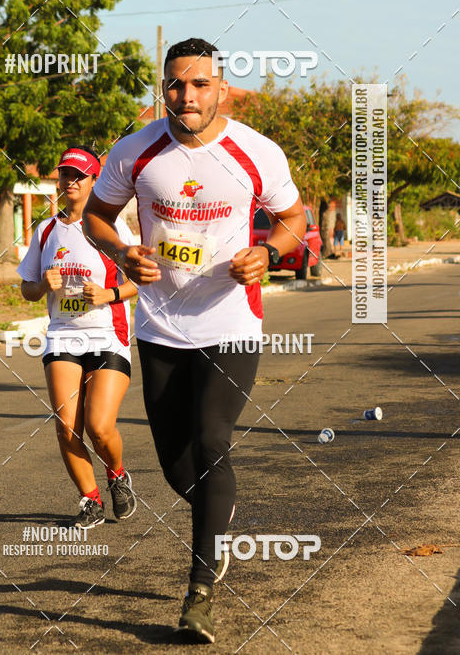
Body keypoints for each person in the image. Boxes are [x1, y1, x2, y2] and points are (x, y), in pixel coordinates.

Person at [82, 38, 306, 643]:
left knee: (211, 442)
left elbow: (294, 221)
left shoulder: (256, 151)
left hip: (231, 325)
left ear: (221, 90)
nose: (188, 96)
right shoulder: (136, 151)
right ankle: (217, 521)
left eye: (200, 84)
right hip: (160, 329)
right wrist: (123, 251)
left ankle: (199, 593)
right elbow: (96, 216)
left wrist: (268, 253)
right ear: (164, 89)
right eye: (176, 85)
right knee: (178, 467)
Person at [17, 145, 139, 529]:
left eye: (79, 176)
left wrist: (108, 295)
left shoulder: (110, 228)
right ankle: (90, 500)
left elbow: (139, 280)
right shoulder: (46, 230)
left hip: (107, 335)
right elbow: (27, 288)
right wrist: (42, 285)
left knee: (99, 427)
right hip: (63, 336)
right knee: (67, 426)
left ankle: (117, 474)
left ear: (93, 182)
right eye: (65, 174)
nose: (70, 181)